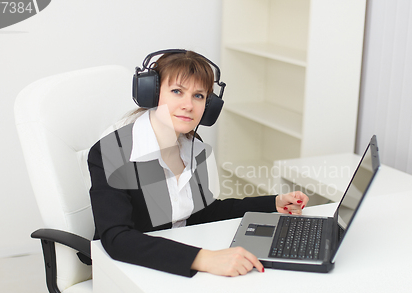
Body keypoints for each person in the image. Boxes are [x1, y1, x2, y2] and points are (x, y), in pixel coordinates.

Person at [87, 50, 309, 277]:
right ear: (152, 94)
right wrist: (204, 259)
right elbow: (117, 238)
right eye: (176, 91)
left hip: (175, 257)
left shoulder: (191, 145)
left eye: (199, 96)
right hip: (129, 268)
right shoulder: (113, 151)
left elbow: (203, 213)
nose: (188, 105)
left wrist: (273, 204)